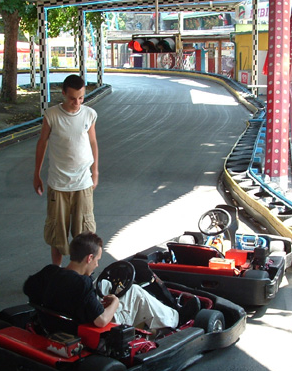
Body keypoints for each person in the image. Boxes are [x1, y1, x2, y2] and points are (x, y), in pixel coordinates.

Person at [23, 232, 200, 331]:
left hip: (59, 320)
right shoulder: (81, 284)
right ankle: (177, 318)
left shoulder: (50, 271)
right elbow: (100, 321)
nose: (97, 264)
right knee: (135, 292)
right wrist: (114, 303)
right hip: (89, 328)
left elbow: (28, 289)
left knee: (105, 285)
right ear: (89, 257)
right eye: (97, 260)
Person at [33, 74, 99, 266]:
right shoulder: (52, 115)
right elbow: (42, 142)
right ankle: (57, 271)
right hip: (58, 184)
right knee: (57, 233)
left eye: (81, 98)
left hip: (83, 183)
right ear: (63, 93)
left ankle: (83, 274)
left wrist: (95, 172)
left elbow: (93, 142)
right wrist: (36, 173)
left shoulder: (89, 114)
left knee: (85, 234)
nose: (76, 102)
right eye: (72, 98)